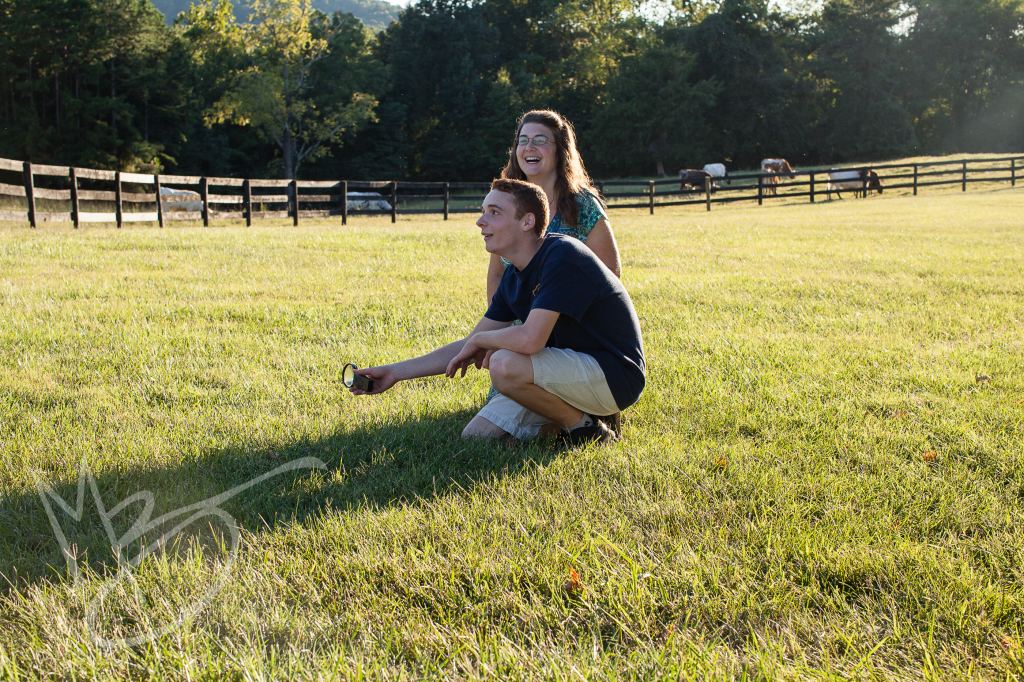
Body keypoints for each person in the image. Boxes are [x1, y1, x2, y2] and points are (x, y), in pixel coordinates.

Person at [349, 179, 645, 446]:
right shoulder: (514, 276)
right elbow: (470, 344)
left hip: (615, 375)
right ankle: (579, 422)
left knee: (503, 364)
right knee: (477, 436)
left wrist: (484, 342)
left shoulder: (562, 255)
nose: (480, 221)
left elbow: (531, 341)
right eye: (483, 211)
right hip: (566, 373)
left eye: (494, 212)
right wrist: (395, 373)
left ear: (528, 221)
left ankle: (584, 428)